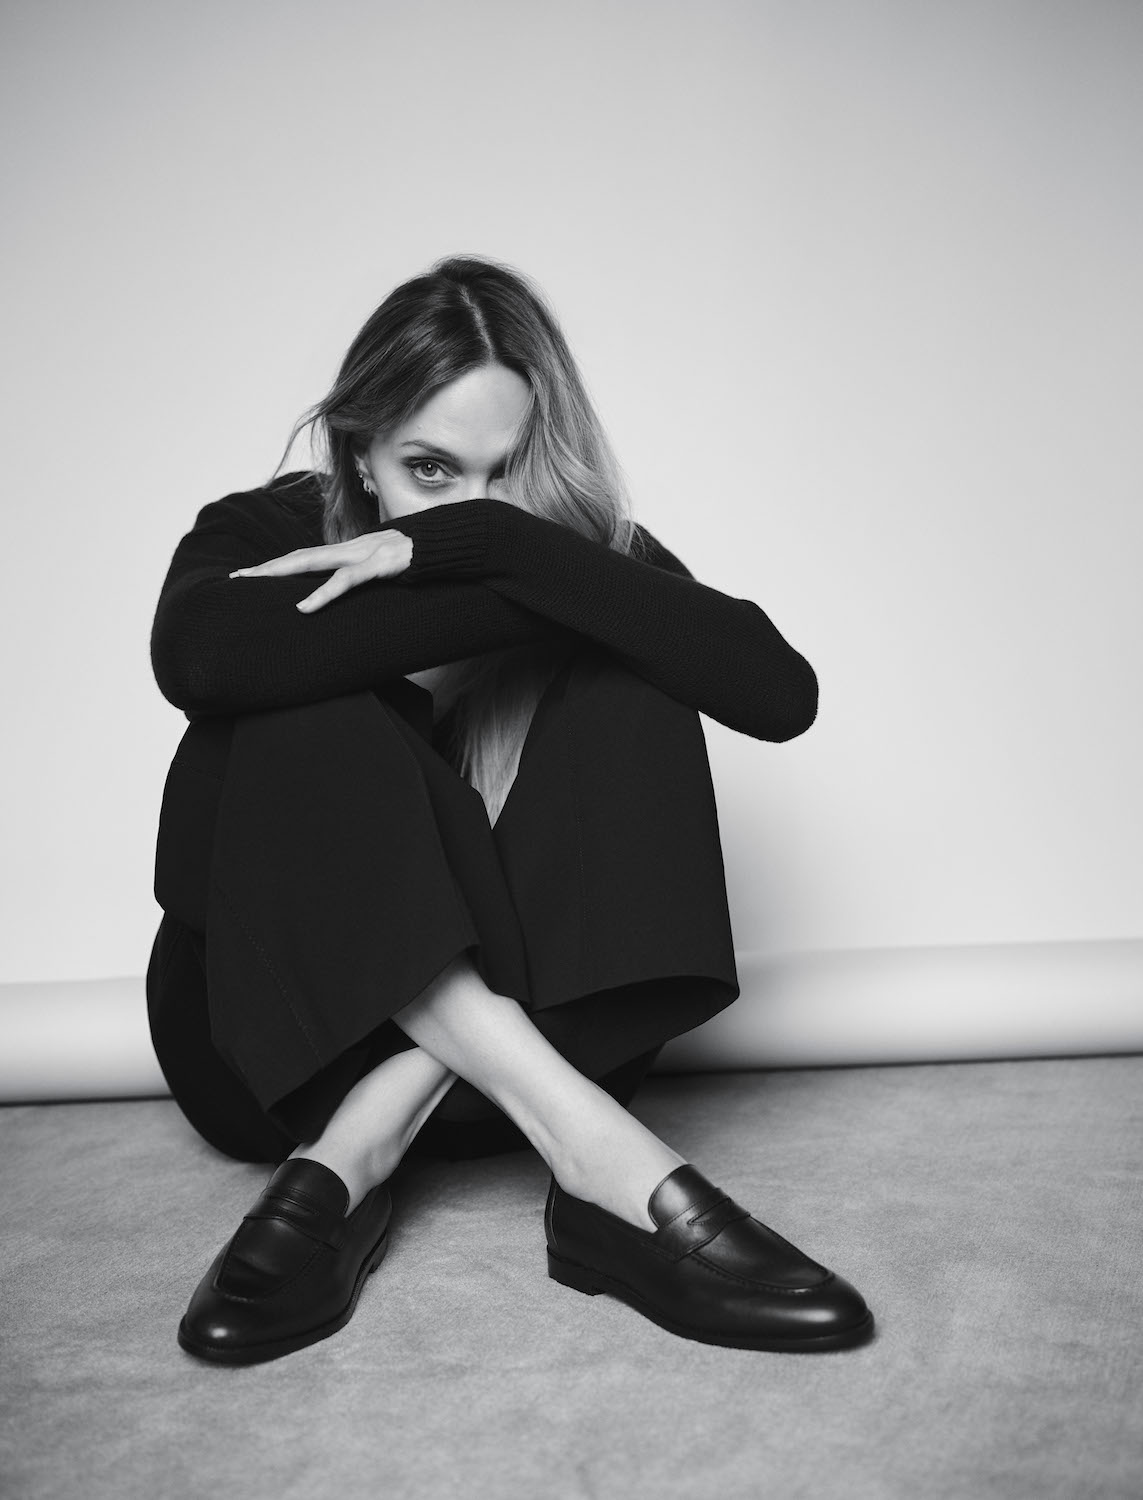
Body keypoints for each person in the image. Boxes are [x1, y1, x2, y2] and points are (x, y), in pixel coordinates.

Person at [146, 254, 874, 1364]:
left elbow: (779, 694)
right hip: (269, 1062)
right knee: (285, 692)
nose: (467, 509)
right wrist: (524, 592)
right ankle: (598, 1165)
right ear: (358, 451)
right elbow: (198, 660)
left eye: (507, 473)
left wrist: (489, 545)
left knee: (633, 669)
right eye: (429, 471)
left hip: (546, 1049)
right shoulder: (272, 528)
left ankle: (356, 1157)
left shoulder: (559, 552)